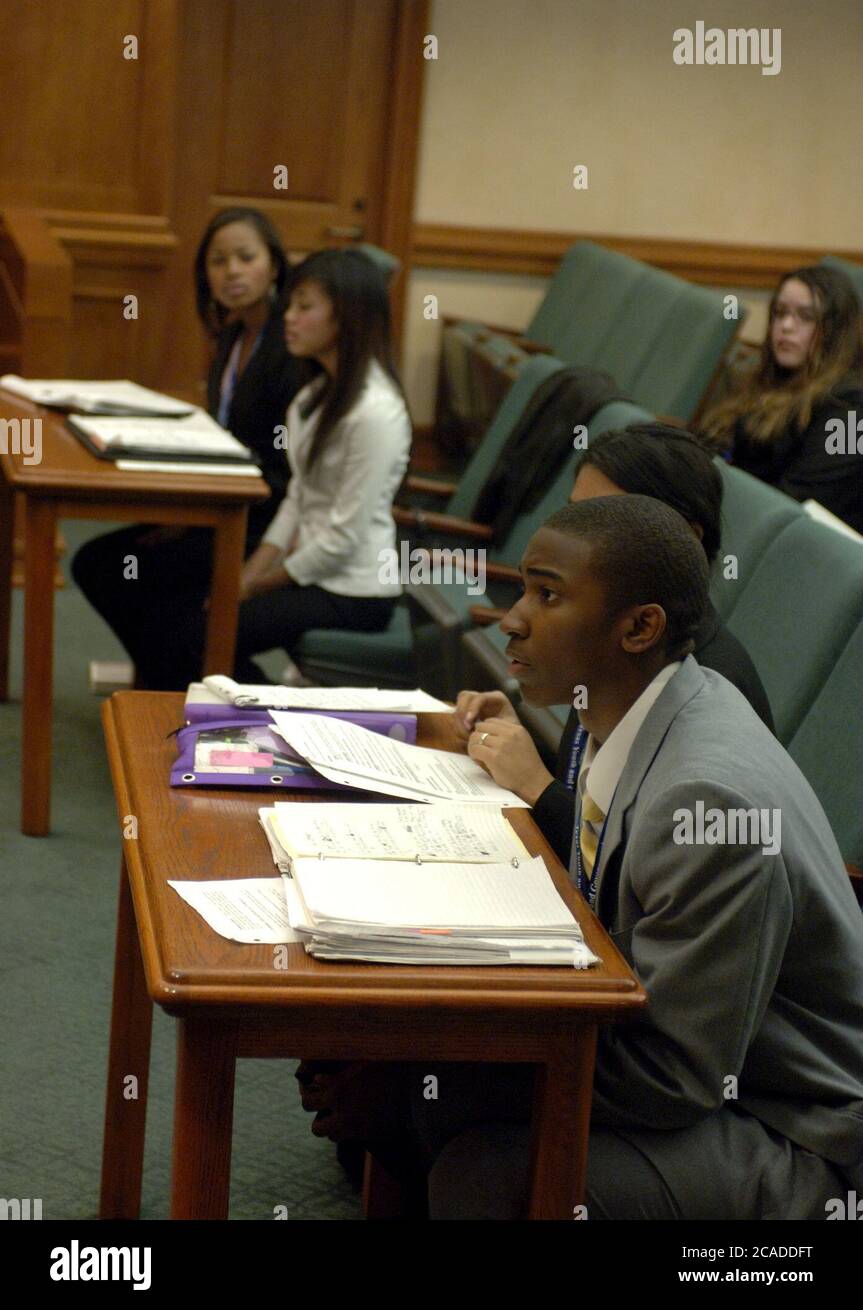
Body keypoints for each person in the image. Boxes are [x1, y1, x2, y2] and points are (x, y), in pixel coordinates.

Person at [297, 497, 863, 1219]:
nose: (511, 617)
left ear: (638, 626)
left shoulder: (707, 802)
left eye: (547, 594)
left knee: (483, 1169)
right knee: (399, 1078)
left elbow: (676, 1075)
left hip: (792, 1136)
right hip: (711, 1081)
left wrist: (426, 1072)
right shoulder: (631, 706)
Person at [456, 422, 774, 863]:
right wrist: (519, 740)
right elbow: (592, 795)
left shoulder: (706, 684)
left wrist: (536, 786)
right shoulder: (606, 641)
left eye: (605, 516)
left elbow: (640, 870)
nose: (574, 534)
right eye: (573, 513)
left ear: (680, 536)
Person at [141, 247, 412, 689]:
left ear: (346, 316)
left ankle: (265, 716)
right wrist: (243, 577)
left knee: (196, 634)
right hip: (316, 574)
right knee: (184, 617)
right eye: (289, 305)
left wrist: (255, 586)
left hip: (355, 591)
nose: (288, 317)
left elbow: (342, 540)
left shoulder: (376, 411)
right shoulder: (312, 397)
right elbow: (297, 500)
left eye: (304, 307)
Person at [72, 207, 302, 686]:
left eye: (245, 257)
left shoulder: (291, 344)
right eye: (218, 261)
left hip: (263, 521)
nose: (232, 271)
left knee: (136, 583)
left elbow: (284, 471)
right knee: (100, 564)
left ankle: (216, 683)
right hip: (217, 503)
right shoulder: (234, 335)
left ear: (274, 265)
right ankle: (171, 680)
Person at [698, 264, 863, 533]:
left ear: (836, 330)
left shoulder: (853, 410)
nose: (786, 326)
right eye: (780, 312)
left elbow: (799, 504)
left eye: (806, 317)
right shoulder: (765, 383)